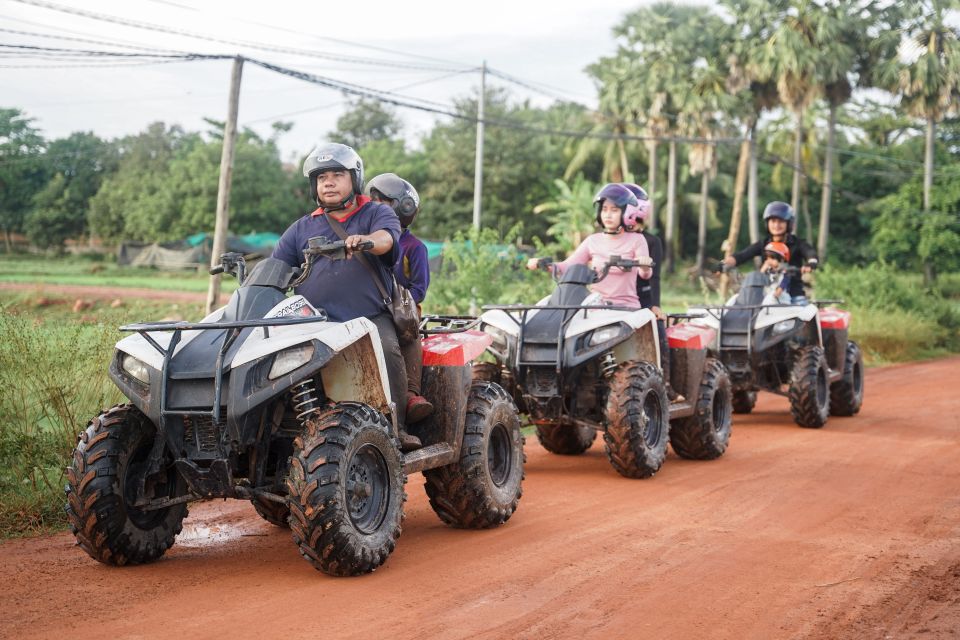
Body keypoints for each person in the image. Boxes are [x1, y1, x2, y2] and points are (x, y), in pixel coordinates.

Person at [271, 142, 421, 450]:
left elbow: (386, 239)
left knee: (388, 349)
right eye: (321, 176)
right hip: (312, 323)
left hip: (369, 317)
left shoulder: (376, 212)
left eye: (337, 174)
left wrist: (366, 241)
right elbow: (276, 265)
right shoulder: (302, 227)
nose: (328, 181)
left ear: (354, 178)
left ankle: (397, 429)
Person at [365, 172, 434, 424]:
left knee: (406, 329)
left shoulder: (415, 247)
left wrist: (399, 302)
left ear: (403, 208)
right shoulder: (367, 242)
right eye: (373, 202)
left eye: (383, 202)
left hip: (400, 306)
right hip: (369, 304)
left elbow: (420, 288)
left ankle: (412, 394)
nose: (376, 207)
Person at [526, 183, 653, 307]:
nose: (608, 215)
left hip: (625, 308)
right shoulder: (593, 240)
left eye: (614, 210)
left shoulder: (637, 239)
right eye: (604, 209)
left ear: (626, 213)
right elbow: (568, 266)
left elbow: (645, 274)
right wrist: (545, 264)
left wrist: (644, 266)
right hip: (595, 307)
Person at [621, 183, 681, 401]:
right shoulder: (608, 239)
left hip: (642, 297)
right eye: (631, 219)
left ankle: (665, 384)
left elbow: (653, 276)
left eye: (638, 220)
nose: (634, 225)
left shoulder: (652, 241)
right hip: (610, 300)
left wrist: (655, 305)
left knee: (659, 333)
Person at [719, 201, 819, 304]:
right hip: (765, 293)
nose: (776, 225)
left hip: (793, 295)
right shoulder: (764, 244)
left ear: (789, 224)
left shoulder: (798, 243)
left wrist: (811, 263)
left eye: (780, 221)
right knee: (736, 304)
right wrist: (724, 263)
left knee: (803, 313)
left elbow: (810, 253)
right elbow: (742, 255)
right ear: (767, 223)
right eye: (773, 221)